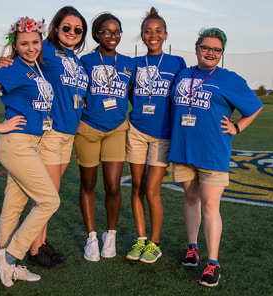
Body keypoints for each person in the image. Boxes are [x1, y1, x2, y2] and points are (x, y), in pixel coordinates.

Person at [0, 17, 59, 287]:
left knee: (14, 205)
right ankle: (10, 256)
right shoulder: (13, 68)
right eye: (24, 44)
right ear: (15, 47)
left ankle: (7, 267)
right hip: (16, 143)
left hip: (33, 143)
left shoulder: (37, 68)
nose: (31, 48)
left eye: (34, 42)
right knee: (49, 201)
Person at [0, 6, 89, 269]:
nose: (72, 32)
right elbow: (21, 56)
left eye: (78, 29)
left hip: (67, 134)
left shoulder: (77, 60)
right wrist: (4, 62)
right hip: (49, 131)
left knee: (49, 193)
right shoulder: (45, 49)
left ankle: (40, 243)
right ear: (56, 28)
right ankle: (35, 250)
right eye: (67, 27)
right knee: (47, 196)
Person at [169, 28, 263, 287]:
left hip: (212, 151)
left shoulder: (228, 79)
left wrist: (238, 127)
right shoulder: (184, 74)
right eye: (206, 47)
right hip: (184, 149)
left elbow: (255, 107)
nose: (210, 52)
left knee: (210, 205)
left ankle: (213, 263)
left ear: (221, 53)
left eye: (216, 49)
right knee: (190, 199)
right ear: (197, 48)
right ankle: (192, 247)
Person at [125, 7, 187, 264]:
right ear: (142, 35)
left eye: (158, 31)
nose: (153, 35)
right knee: (137, 187)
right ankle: (140, 239)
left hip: (162, 134)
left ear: (165, 35)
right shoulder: (134, 63)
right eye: (148, 31)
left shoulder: (176, 63)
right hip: (137, 131)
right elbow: (127, 93)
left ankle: (155, 242)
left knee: (152, 189)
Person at [75, 12, 134, 261]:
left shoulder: (129, 63)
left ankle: (110, 235)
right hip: (88, 130)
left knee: (113, 185)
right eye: (107, 31)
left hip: (116, 130)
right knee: (88, 184)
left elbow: (135, 94)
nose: (113, 36)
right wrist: (75, 115)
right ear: (97, 34)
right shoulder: (84, 61)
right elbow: (70, 89)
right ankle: (91, 237)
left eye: (117, 31)